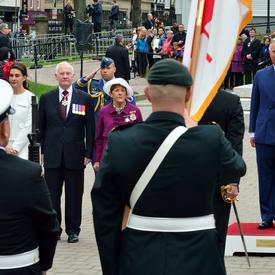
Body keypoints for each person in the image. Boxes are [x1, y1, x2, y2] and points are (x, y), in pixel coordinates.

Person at [91, 59, 246, 275]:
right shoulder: (211, 138)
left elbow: (104, 211)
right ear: (189, 94)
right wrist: (201, 130)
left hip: (140, 253)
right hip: (199, 253)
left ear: (147, 93)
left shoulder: (121, 141)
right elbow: (237, 167)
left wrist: (113, 266)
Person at [0, 79, 59, 275]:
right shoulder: (28, 174)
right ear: (4, 129)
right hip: (19, 267)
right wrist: (44, 265)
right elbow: (49, 225)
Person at [38, 62, 95, 243]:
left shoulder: (84, 98)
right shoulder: (46, 98)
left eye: (68, 73)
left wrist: (89, 153)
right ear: (56, 76)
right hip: (52, 155)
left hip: (75, 155)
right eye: (61, 73)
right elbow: (41, 127)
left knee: (74, 194)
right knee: (52, 195)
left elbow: (90, 128)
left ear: (72, 77)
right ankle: (54, 229)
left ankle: (73, 230)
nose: (64, 76)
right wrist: (42, 150)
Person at [200, 89, 245, 254]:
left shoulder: (230, 101)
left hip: (205, 177)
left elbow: (235, 142)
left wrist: (233, 180)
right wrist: (233, 179)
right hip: (219, 175)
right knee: (217, 229)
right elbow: (235, 145)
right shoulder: (186, 98)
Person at [249, 39, 275, 229]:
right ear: (269, 52)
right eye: (274, 51)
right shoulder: (260, 75)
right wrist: (252, 132)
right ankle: (267, 215)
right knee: (265, 176)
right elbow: (254, 104)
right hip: (265, 133)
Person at [94, 78, 142, 172]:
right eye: (116, 90)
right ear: (111, 94)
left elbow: (140, 138)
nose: (120, 93)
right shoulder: (103, 111)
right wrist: (97, 160)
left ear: (126, 94)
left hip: (129, 157)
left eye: (122, 90)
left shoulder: (135, 111)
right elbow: (99, 138)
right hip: (108, 157)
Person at [74, 57, 135, 121]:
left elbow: (132, 110)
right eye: (103, 68)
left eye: (108, 68)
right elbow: (73, 89)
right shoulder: (91, 84)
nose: (105, 71)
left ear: (114, 69)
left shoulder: (123, 86)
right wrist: (86, 78)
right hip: (96, 127)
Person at [6, 63, 34, 160]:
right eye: (11, 75)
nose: (13, 78)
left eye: (17, 76)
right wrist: (5, 146)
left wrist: (15, 147)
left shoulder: (31, 98)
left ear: (24, 77)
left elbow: (29, 125)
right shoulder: (4, 97)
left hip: (23, 149)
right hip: (4, 147)